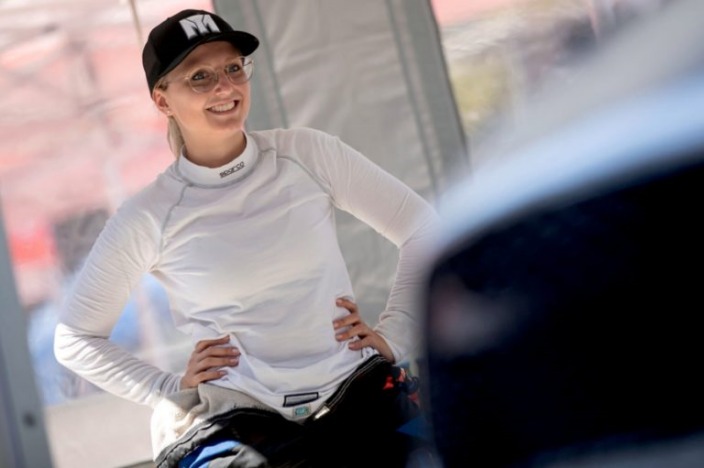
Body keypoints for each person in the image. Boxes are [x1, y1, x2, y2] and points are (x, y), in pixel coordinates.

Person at [54, 8, 439, 468]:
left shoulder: (308, 153)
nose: (225, 87)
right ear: (162, 100)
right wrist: (169, 388)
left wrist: (395, 334)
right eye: (200, 77)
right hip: (237, 417)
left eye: (233, 68)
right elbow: (75, 338)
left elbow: (425, 229)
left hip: (355, 390)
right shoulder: (150, 214)